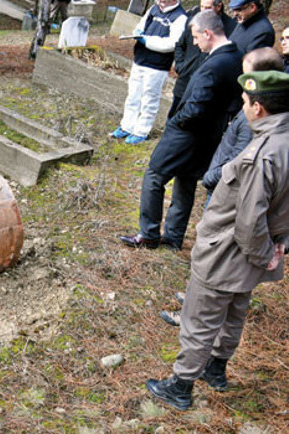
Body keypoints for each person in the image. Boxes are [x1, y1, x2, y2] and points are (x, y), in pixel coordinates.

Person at [145, 70, 289, 411]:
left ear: (259, 108)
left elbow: (249, 220)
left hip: (229, 250)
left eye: (245, 103)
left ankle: (180, 386)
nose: (243, 109)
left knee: (200, 318)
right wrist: (278, 245)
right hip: (257, 251)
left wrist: (262, 253)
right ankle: (216, 369)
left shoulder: (262, 154)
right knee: (236, 310)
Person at [158, 47, 285, 327]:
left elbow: (241, 160)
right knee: (205, 261)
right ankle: (193, 298)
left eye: (247, 70)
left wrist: (214, 176)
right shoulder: (252, 106)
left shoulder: (260, 117)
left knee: (215, 267)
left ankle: (195, 316)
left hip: (227, 197)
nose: (241, 75)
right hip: (220, 187)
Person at [120, 11, 243, 251]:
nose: (195, 43)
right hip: (211, 135)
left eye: (197, 37)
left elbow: (196, 107)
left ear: (208, 33)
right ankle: (174, 237)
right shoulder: (236, 56)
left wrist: (176, 122)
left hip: (187, 133)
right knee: (186, 182)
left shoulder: (214, 65)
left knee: (154, 175)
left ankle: (149, 233)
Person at [110, 0, 187, 145]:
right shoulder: (154, 9)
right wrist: (137, 34)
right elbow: (141, 26)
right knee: (133, 95)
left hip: (157, 65)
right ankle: (127, 126)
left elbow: (172, 43)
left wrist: (148, 41)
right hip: (140, 59)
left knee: (149, 99)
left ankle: (141, 131)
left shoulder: (180, 17)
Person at [168, 0, 236, 118]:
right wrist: (181, 66)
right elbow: (180, 45)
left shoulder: (231, 28)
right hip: (185, 81)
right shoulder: (194, 20)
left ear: (218, 6)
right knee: (173, 118)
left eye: (207, 7)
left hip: (206, 86)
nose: (203, 11)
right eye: (201, 7)